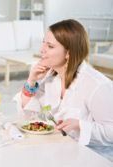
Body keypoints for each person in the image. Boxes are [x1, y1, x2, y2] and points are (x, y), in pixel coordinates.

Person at [14, 19, 113, 161]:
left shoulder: (97, 86)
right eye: (43, 43)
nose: (42, 50)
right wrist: (32, 81)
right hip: (61, 149)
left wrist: (80, 125)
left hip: (94, 157)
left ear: (68, 52)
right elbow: (29, 115)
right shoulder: (50, 76)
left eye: (50, 46)